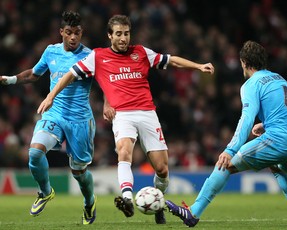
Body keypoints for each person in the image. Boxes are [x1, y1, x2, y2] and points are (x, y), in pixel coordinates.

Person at [37, 14, 215, 224]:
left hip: (147, 113)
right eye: (119, 34)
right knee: (124, 152)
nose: (123, 38)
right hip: (123, 114)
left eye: (127, 34)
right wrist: (50, 96)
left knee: (162, 169)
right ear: (110, 36)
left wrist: (198, 66)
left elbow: (171, 60)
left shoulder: (141, 52)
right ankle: (127, 199)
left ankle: (158, 203)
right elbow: (70, 74)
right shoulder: (98, 56)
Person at [165, 40, 287, 227]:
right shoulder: (278, 78)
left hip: (279, 140)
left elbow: (246, 120)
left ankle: (193, 212)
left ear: (244, 62)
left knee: (226, 164)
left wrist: (230, 149)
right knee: (280, 168)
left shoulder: (250, 85)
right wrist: (266, 124)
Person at [0, 11, 100, 225]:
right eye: (69, 33)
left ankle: (89, 200)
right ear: (61, 32)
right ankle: (45, 191)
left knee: (79, 172)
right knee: (35, 152)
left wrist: (110, 103)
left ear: (82, 33)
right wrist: (8, 80)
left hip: (80, 120)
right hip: (54, 113)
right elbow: (34, 75)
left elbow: (106, 81)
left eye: (78, 33)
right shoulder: (50, 51)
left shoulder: (90, 57)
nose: (73, 37)